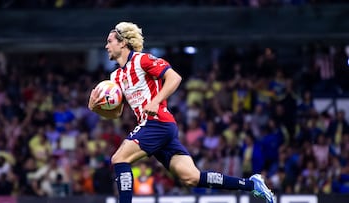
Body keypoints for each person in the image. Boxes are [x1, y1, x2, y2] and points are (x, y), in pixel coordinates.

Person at [88, 21, 275, 203]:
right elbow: (117, 112)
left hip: (157, 122)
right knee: (191, 177)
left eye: (110, 41)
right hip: (154, 127)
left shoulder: (142, 60)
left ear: (122, 43)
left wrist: (156, 100)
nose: (106, 46)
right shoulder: (116, 76)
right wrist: (96, 107)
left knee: (119, 158)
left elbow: (174, 78)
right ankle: (252, 185)